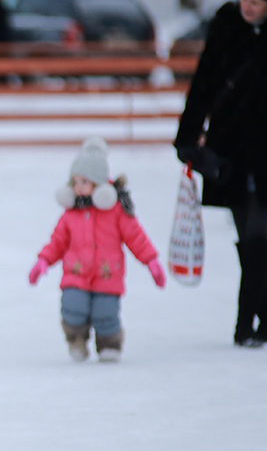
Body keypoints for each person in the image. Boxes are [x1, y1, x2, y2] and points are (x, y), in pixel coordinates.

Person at [173, 0, 267, 347]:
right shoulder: (225, 25)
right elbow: (203, 82)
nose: (247, 7)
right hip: (229, 145)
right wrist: (187, 136)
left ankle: (244, 323)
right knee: (246, 237)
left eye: (257, 2)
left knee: (256, 236)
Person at [29, 137, 166, 362]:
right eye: (75, 181)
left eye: (84, 181)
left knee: (106, 313)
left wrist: (151, 261)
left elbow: (136, 238)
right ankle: (76, 340)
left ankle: (109, 344)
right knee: (72, 308)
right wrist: (43, 261)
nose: (78, 187)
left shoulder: (116, 211)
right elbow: (57, 242)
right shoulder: (70, 214)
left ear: (98, 183)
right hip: (76, 273)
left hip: (107, 274)